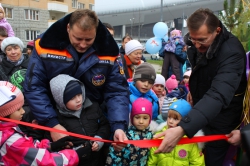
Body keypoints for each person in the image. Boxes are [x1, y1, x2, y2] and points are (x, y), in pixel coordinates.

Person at [23, 9, 129, 151]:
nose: (83, 44)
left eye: (88, 39)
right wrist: (51, 124)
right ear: (68, 28)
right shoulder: (44, 46)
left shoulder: (110, 52)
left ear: (96, 32)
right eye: (78, 38)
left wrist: (118, 126)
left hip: (94, 123)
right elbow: (34, 87)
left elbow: (117, 91)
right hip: (54, 120)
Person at [154, 8, 247, 166]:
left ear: (217, 31)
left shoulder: (232, 53)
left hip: (221, 120)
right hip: (200, 113)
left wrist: (183, 128)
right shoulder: (199, 44)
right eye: (193, 39)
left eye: (201, 40)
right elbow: (204, 72)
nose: (196, 45)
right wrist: (194, 91)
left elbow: (218, 94)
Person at [0, 81, 93, 165]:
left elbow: (28, 148)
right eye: (18, 109)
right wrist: (76, 154)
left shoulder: (7, 130)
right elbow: (45, 162)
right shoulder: (10, 139)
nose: (23, 111)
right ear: (5, 113)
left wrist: (50, 146)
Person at [50, 74, 111, 165]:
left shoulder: (93, 106)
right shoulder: (57, 119)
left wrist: (100, 139)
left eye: (79, 94)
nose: (78, 100)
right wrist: (75, 151)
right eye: (72, 98)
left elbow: (104, 125)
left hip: (98, 160)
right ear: (61, 100)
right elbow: (55, 146)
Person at [147, 99, 205, 166]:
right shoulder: (159, 137)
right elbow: (152, 160)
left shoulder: (190, 142)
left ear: (185, 121)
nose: (170, 121)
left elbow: (197, 163)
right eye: (169, 117)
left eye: (175, 119)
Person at [106, 97, 153, 166]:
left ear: (150, 119)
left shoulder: (151, 135)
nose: (141, 121)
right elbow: (114, 155)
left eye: (145, 118)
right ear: (131, 118)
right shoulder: (125, 135)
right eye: (137, 117)